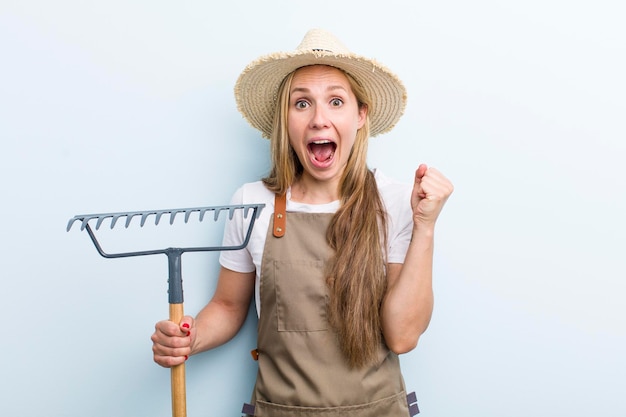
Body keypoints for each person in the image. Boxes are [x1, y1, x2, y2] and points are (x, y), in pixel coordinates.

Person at [151, 28, 454, 416]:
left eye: (336, 101)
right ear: (286, 119)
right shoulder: (251, 203)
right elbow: (227, 307)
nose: (319, 119)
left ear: (360, 115)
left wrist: (425, 227)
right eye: (301, 104)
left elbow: (403, 335)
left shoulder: (394, 201)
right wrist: (189, 339)